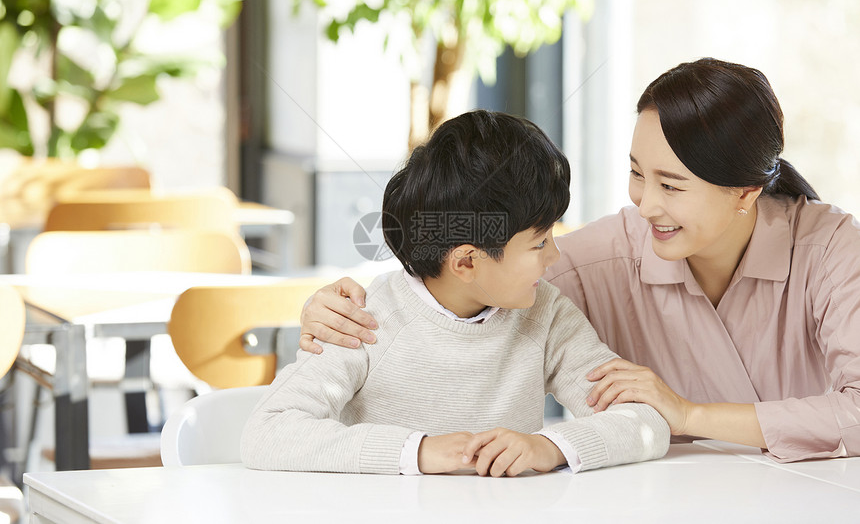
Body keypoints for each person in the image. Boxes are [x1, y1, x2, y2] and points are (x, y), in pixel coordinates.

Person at [299, 58, 860, 463]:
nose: (646, 202)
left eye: (672, 184)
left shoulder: (833, 248)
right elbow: (465, 283)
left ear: (745, 192)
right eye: (637, 173)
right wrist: (338, 310)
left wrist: (689, 415)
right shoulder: (600, 261)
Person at [241, 110, 669, 477]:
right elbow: (269, 432)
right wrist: (419, 451)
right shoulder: (364, 321)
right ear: (466, 262)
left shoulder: (547, 314)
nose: (555, 255)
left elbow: (645, 420)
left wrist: (549, 447)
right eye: (539, 243)